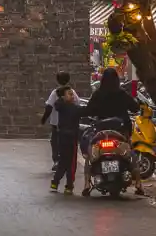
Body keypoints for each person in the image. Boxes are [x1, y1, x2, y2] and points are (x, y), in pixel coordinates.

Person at [81, 67, 142, 196]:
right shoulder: (122, 94)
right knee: (130, 152)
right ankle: (138, 184)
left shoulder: (97, 94)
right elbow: (135, 108)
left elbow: (88, 110)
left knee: (90, 154)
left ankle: (87, 184)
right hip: (121, 130)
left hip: (101, 131)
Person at [41, 71, 76, 171]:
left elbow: (49, 107)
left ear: (57, 80)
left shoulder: (55, 92)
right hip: (69, 123)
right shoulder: (71, 92)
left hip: (56, 123)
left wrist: (44, 119)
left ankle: (57, 161)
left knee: (55, 142)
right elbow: (77, 103)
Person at [50, 87, 81, 195]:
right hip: (71, 139)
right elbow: (85, 111)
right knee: (70, 164)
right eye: (70, 94)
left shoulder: (60, 106)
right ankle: (69, 185)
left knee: (63, 161)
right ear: (63, 96)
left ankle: (55, 182)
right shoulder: (74, 108)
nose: (72, 96)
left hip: (62, 138)